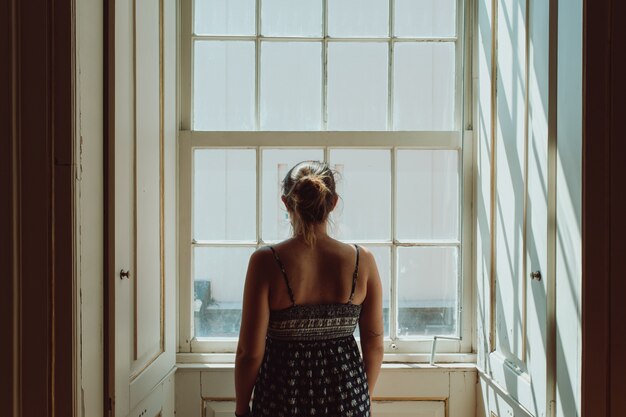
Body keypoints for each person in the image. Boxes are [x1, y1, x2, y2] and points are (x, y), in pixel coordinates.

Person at [234, 160, 384, 417]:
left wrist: (241, 409)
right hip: (347, 397)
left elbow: (250, 352)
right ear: (334, 202)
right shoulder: (363, 260)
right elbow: (374, 344)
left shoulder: (266, 262)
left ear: (286, 202)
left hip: (280, 396)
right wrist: (361, 395)